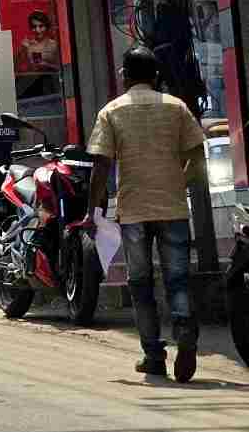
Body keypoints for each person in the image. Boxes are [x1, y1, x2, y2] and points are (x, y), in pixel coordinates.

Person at [85, 45, 208, 382]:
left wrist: (93, 211)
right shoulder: (176, 107)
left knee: (140, 283)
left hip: (134, 210)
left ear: (124, 75)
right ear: (156, 76)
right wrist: (178, 182)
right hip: (172, 207)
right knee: (178, 278)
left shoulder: (112, 111)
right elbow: (197, 158)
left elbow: (101, 165)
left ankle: (153, 356)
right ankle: (184, 329)